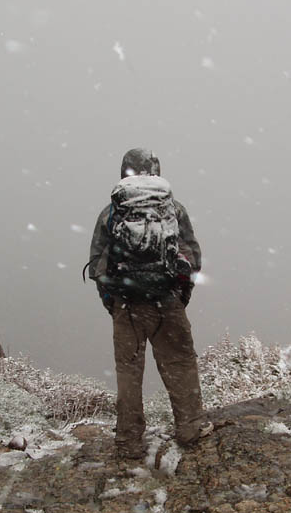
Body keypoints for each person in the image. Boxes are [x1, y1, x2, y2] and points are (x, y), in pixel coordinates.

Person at [88, 148, 212, 460]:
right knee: (180, 363)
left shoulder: (112, 212)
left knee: (129, 372)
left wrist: (115, 302)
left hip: (127, 305)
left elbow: (97, 265)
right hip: (166, 301)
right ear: (155, 170)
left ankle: (129, 442)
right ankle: (190, 428)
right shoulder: (173, 209)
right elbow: (192, 256)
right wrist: (178, 296)